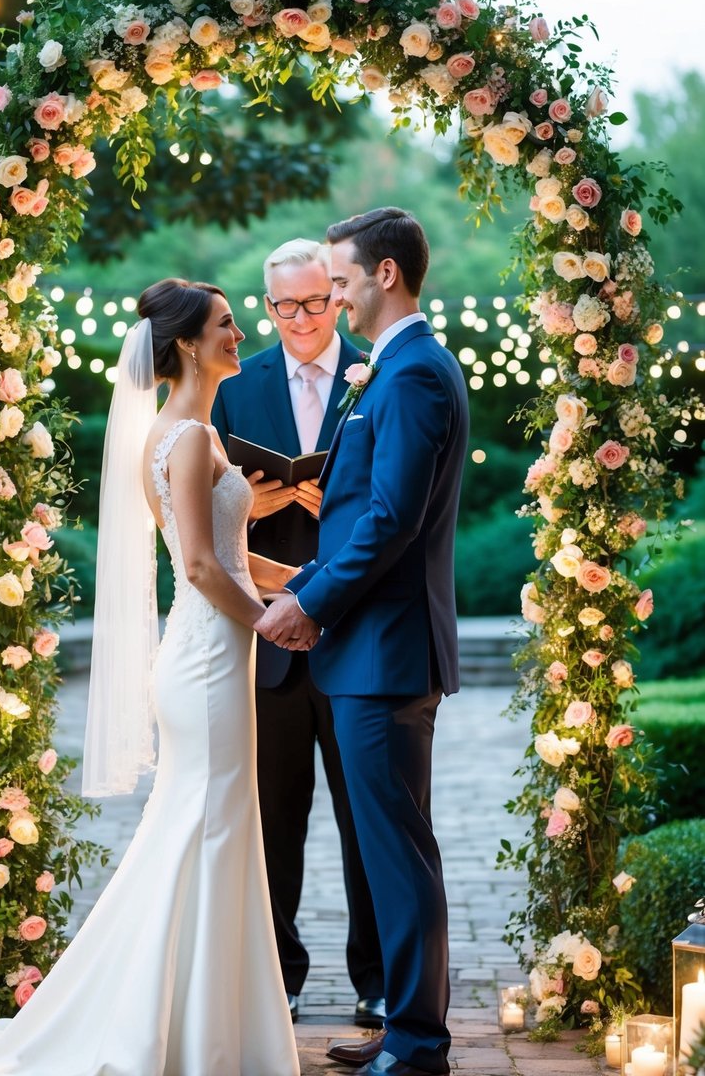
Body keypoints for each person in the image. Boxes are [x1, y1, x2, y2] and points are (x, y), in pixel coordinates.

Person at [0, 279, 302, 1076]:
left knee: (205, 831)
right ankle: (189, 1033)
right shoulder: (193, 440)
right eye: (226, 325)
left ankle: (197, 1023)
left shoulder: (179, 434)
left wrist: (304, 583)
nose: (241, 334)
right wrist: (270, 620)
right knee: (207, 831)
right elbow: (201, 567)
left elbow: (229, 559)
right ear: (185, 346)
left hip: (205, 656)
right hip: (207, 662)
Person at [258, 208, 469, 1076]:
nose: (332, 297)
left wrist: (309, 598)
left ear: (385, 275)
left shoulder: (413, 373)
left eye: (341, 280)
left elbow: (390, 518)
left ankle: (417, 1044)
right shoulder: (395, 368)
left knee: (395, 850)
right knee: (389, 851)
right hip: (373, 650)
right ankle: (401, 1026)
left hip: (382, 651)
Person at [212, 239, 385, 1026]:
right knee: (272, 821)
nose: (302, 319)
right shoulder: (233, 389)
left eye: (317, 302)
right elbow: (196, 517)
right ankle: (276, 974)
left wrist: (339, 506)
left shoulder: (377, 373)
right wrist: (250, 506)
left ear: (338, 298)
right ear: (266, 305)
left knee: (367, 823)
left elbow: (398, 499)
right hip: (268, 643)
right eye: (285, 306)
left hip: (359, 634)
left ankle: (376, 979)